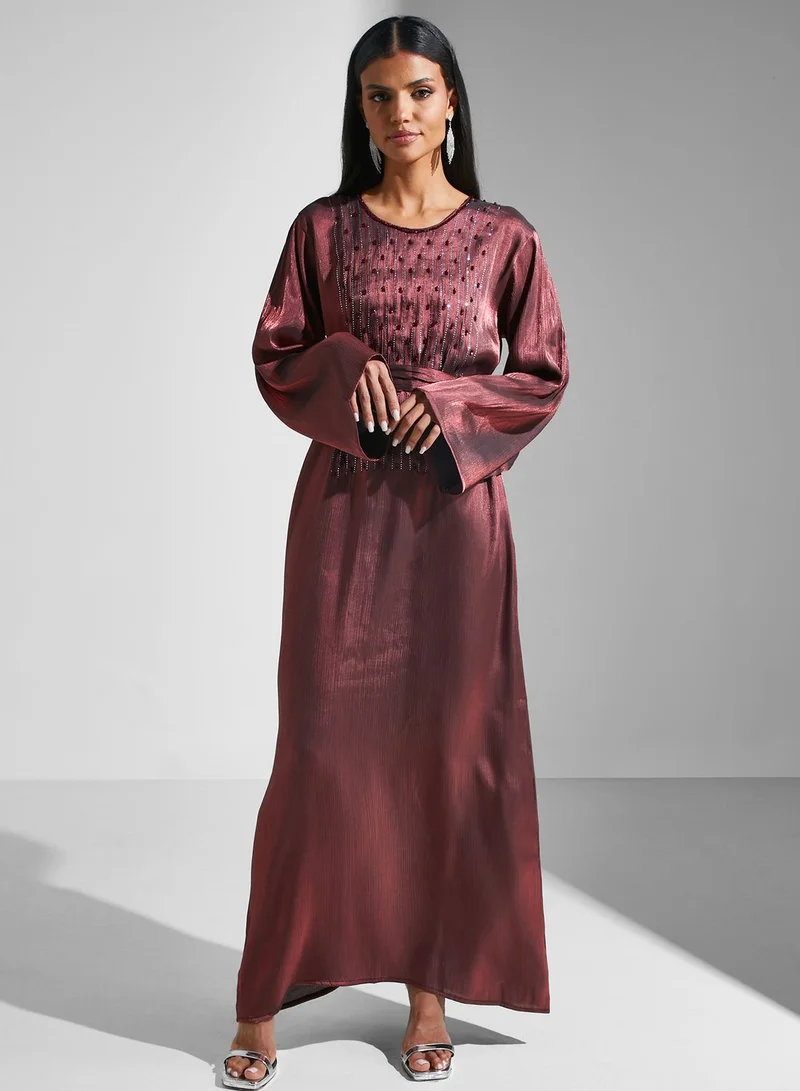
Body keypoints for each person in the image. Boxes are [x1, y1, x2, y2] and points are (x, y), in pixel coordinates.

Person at [223, 14, 569, 1088]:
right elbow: (277, 352)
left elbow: (541, 373)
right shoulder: (321, 232)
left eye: (419, 91)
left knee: (442, 753)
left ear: (451, 101)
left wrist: (451, 402)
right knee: (318, 747)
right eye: (380, 96)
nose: (401, 112)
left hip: (456, 522)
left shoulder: (505, 238)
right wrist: (347, 365)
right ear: (360, 111)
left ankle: (427, 993)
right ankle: (262, 995)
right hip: (345, 514)